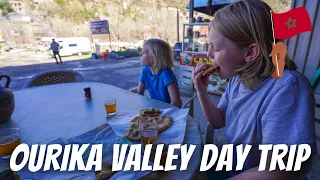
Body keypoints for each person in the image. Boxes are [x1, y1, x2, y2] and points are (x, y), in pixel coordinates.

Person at [192, 0, 316, 179]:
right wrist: (201, 91)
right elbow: (219, 121)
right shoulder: (237, 80)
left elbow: (279, 170)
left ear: (250, 53)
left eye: (216, 48)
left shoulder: (287, 89)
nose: (208, 55)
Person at [137, 38, 181, 108]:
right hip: (155, 107)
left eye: (143, 52)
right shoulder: (145, 70)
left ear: (154, 57)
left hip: (168, 110)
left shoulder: (166, 74)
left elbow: (176, 102)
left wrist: (162, 116)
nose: (140, 54)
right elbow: (139, 93)